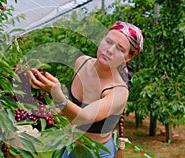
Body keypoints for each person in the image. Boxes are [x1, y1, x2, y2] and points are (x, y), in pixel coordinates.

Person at [28, 21, 143, 158]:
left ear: (128, 57)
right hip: (71, 147)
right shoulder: (82, 62)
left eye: (120, 49)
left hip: (96, 153)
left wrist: (57, 95)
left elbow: (84, 117)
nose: (109, 50)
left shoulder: (119, 91)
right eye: (108, 41)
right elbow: (72, 110)